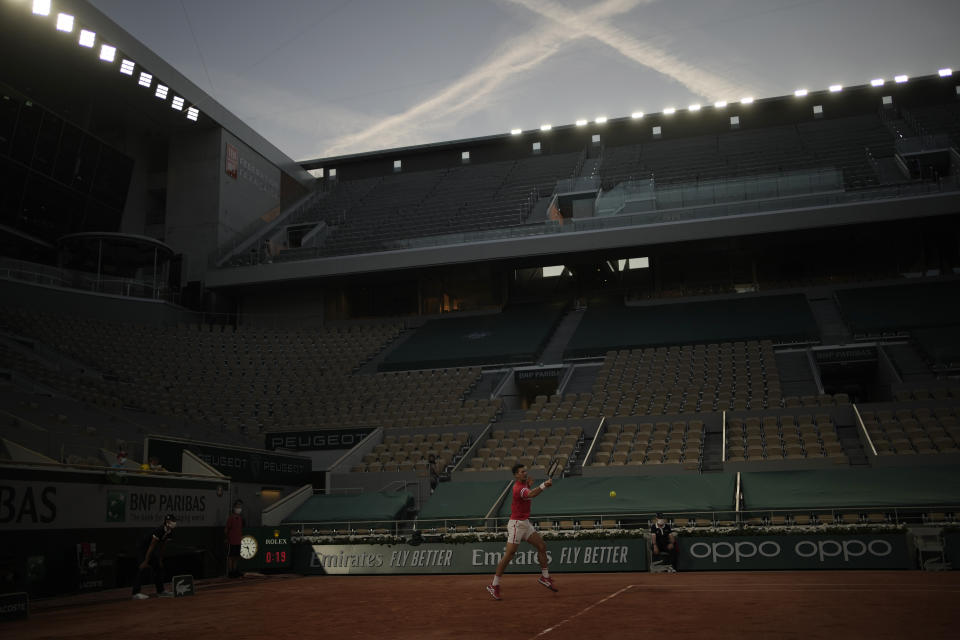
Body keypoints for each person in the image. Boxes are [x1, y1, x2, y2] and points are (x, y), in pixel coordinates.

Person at [486, 463, 556, 600]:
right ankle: (494, 585)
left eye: (525, 471)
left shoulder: (524, 486)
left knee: (541, 546)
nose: (525, 473)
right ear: (516, 475)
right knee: (510, 554)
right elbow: (530, 495)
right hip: (516, 525)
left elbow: (528, 493)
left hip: (525, 523)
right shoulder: (517, 488)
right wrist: (544, 485)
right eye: (522, 472)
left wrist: (531, 485)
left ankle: (545, 577)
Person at [131, 514, 176, 599]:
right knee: (142, 568)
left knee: (158, 568)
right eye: (172, 521)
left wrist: (160, 559)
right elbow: (151, 546)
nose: (174, 523)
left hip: (151, 550)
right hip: (143, 549)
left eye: (175, 521)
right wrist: (145, 561)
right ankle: (135, 593)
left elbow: (162, 546)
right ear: (167, 522)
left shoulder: (170, 532)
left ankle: (161, 592)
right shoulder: (159, 530)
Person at [225, 500, 246, 578]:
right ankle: (230, 572)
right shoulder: (230, 518)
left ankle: (235, 571)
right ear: (234, 508)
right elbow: (226, 530)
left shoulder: (240, 519)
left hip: (238, 541)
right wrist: (227, 538)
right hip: (232, 541)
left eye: (240, 507)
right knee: (231, 557)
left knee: (237, 557)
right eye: (237, 507)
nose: (239, 508)